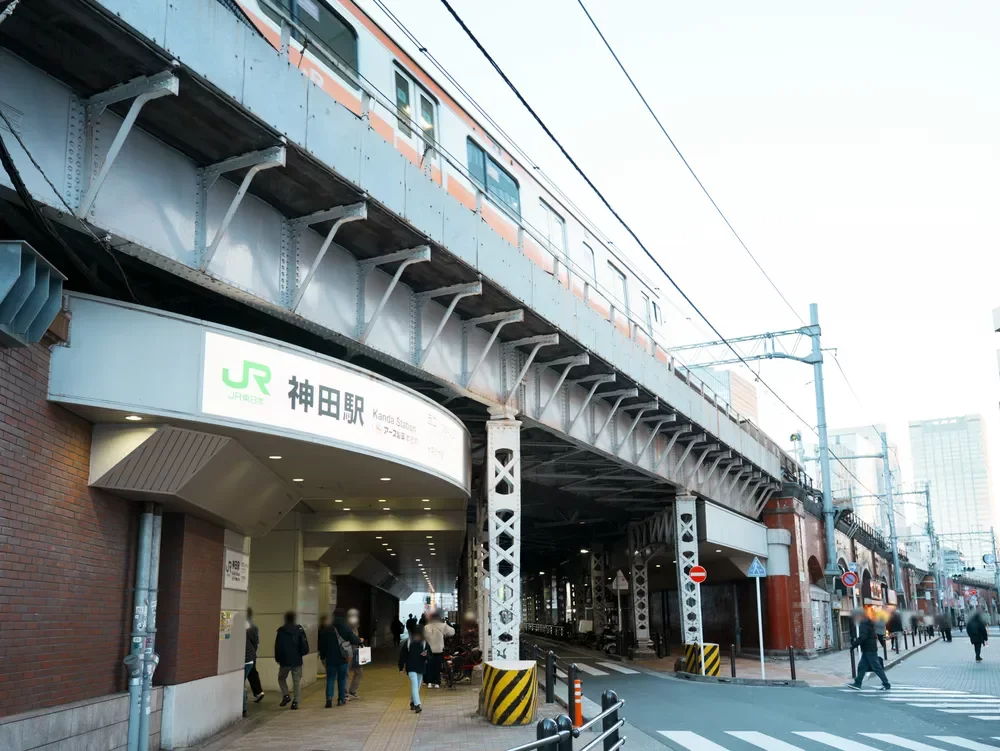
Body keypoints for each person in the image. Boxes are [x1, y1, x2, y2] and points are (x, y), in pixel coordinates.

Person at [319, 607, 359, 707]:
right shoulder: (346, 628)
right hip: (343, 658)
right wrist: (360, 640)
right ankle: (341, 699)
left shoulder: (327, 628)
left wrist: (323, 656)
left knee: (330, 679)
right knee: (341, 679)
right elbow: (354, 640)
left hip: (330, 659)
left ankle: (329, 699)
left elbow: (322, 644)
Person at [848, 609, 890, 691]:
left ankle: (886, 684)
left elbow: (863, 637)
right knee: (862, 667)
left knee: (876, 667)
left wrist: (854, 645)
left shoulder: (864, 625)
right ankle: (857, 683)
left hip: (869, 649)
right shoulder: (868, 623)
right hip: (869, 649)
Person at [274, 611, 309, 710]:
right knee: (296, 682)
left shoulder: (281, 630)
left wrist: (278, 658)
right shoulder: (299, 629)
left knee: (281, 678)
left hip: (285, 660)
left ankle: (286, 695)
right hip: (297, 659)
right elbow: (303, 644)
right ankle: (296, 702)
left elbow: (278, 646)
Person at [421, 610, 455, 689]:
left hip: (429, 650)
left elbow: (423, 638)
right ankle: (437, 682)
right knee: (437, 666)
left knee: (429, 666)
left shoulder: (426, 627)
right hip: (439, 650)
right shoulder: (443, 625)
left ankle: (429, 682)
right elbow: (452, 632)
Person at [399, 626, 429, 713]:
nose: (417, 636)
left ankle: (412, 701)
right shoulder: (408, 642)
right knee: (415, 684)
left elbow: (429, 655)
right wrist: (401, 667)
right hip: (411, 667)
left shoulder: (424, 643)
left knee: (417, 686)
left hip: (420, 666)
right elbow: (402, 655)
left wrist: (426, 655)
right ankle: (417, 705)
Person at [243, 609, 263, 717]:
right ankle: (258, 692)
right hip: (251, 656)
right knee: (252, 673)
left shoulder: (242, 627)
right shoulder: (253, 627)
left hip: (244, 658)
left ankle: (243, 707)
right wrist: (254, 653)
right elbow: (256, 642)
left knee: (242, 683)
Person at [346, 608, 366, 699]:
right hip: (347, 653)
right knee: (346, 673)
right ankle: (345, 693)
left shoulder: (355, 627)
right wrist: (358, 640)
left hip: (356, 652)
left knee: (359, 672)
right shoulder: (346, 627)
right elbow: (350, 639)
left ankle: (352, 691)